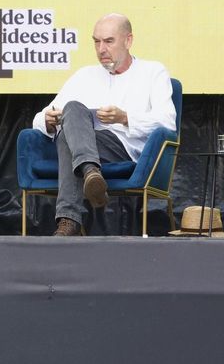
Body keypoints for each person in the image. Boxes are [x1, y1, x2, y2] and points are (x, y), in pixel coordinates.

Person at [32, 13, 177, 236]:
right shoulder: (84, 75)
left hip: (126, 148)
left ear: (128, 41)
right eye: (96, 41)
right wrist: (48, 121)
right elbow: (39, 118)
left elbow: (168, 121)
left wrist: (124, 118)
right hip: (90, 146)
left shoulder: (153, 72)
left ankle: (68, 221)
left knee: (68, 137)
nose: (101, 49)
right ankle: (91, 171)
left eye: (109, 41)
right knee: (71, 111)